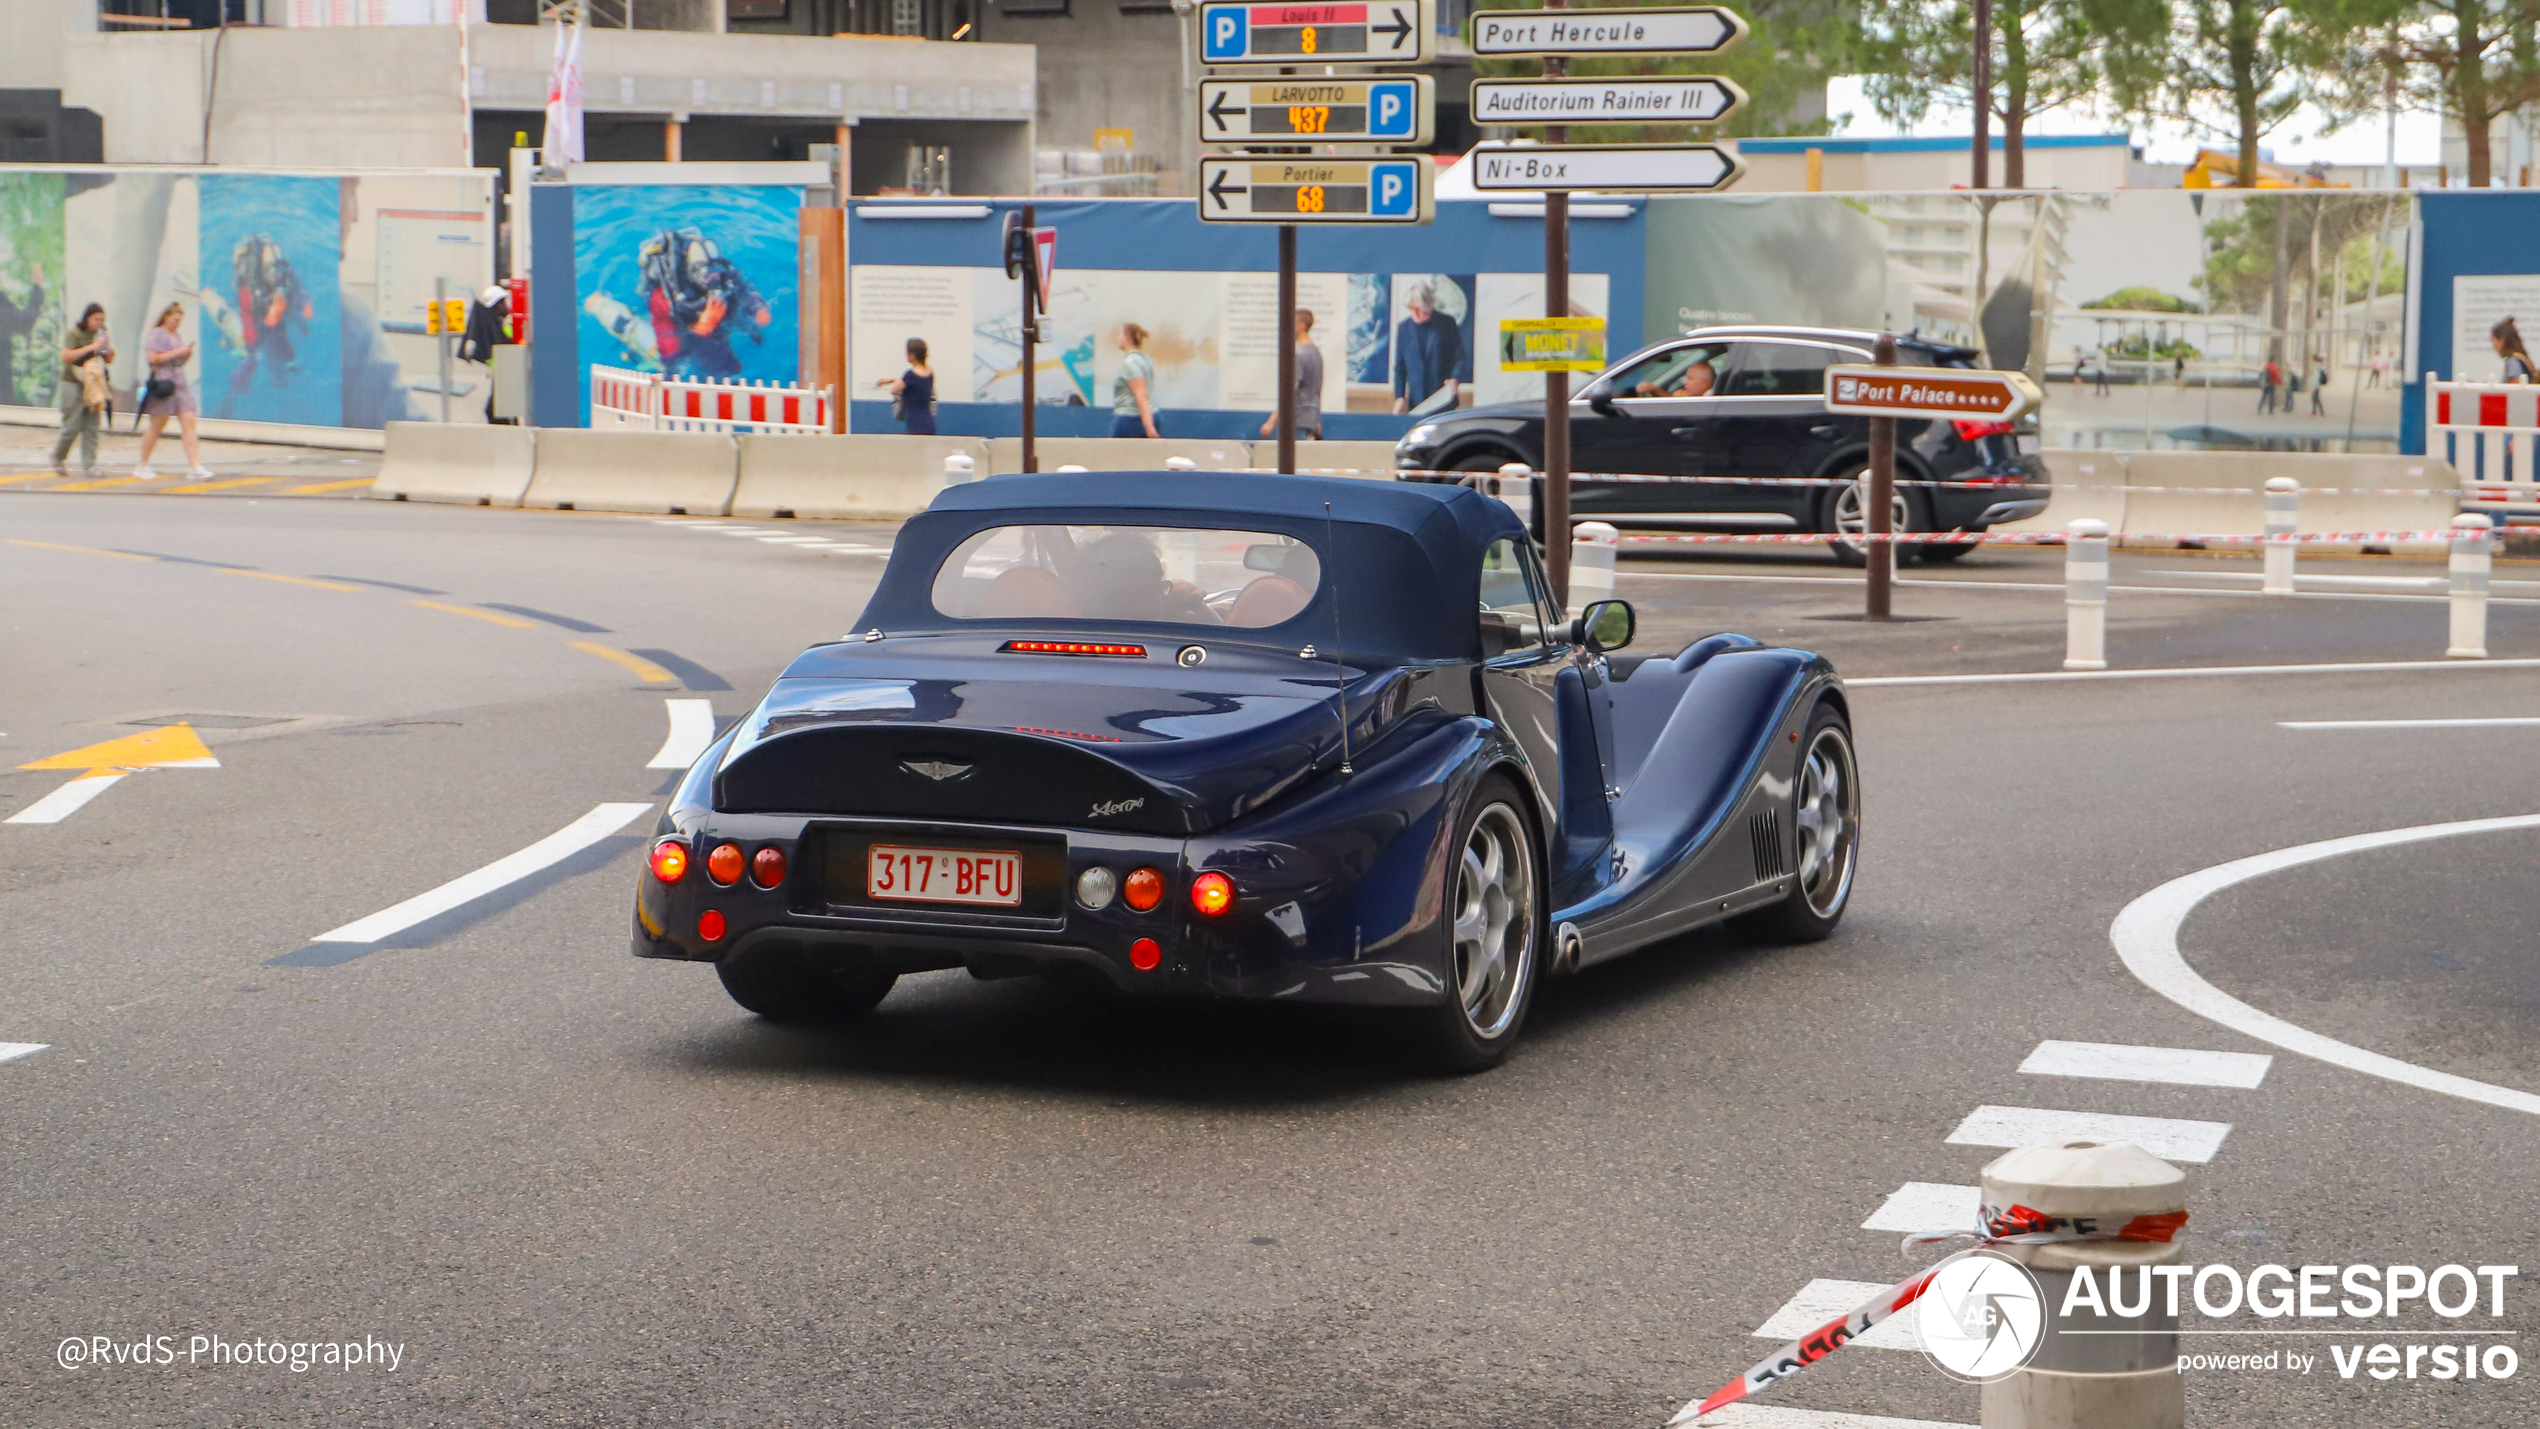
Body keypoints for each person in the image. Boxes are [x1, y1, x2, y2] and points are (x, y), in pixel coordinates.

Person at [133, 302, 210, 480]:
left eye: (179, 320)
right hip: (163, 384)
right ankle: (142, 463)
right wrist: (177, 352)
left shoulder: (177, 335)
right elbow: (153, 358)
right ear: (166, 317)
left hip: (180, 383)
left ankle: (194, 464)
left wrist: (185, 354)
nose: (177, 323)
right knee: (158, 425)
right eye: (175, 319)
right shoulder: (157, 334)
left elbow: (177, 362)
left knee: (189, 421)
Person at [50, 302, 111, 476]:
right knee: (72, 425)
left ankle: (89, 464)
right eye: (96, 319)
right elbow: (66, 355)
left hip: (92, 384)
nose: (98, 322)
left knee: (92, 425)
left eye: (101, 319)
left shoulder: (100, 335)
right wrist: (92, 347)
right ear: (87, 318)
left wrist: (106, 347)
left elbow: (109, 358)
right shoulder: (75, 333)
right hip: (73, 382)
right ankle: (57, 456)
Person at [1389, 282, 1465, 414]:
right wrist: (1399, 396)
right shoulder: (1404, 328)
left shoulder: (1447, 323)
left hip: (1443, 399)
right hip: (1417, 402)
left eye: (1420, 309)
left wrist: (1454, 379)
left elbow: (1460, 358)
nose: (1415, 313)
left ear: (1430, 304)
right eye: (1411, 309)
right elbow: (1400, 366)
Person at [1259, 308, 1323, 442]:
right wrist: (1316, 419)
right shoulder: (1316, 354)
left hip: (1295, 418)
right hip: (1309, 419)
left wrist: (1271, 421)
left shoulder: (1298, 355)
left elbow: (1289, 391)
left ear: (1300, 326)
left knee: (1289, 461)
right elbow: (1316, 388)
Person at [876, 337, 937, 435]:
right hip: (929, 422)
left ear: (912, 355)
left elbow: (894, 390)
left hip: (915, 424)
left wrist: (890, 383)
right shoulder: (929, 371)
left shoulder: (910, 374)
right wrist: (890, 380)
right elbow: (916, 383)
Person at [1111, 323, 1158, 438]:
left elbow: (1140, 393)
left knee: (1114, 455)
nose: (1118, 338)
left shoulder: (1130, 363)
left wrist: (1148, 426)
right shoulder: (1145, 359)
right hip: (1152, 413)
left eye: (1120, 334)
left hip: (1131, 419)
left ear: (1127, 336)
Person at [2493, 317, 2534, 383]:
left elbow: (2515, 383)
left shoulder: (2512, 361)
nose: (2493, 345)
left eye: (2493, 340)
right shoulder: (2523, 358)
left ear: (2501, 341)